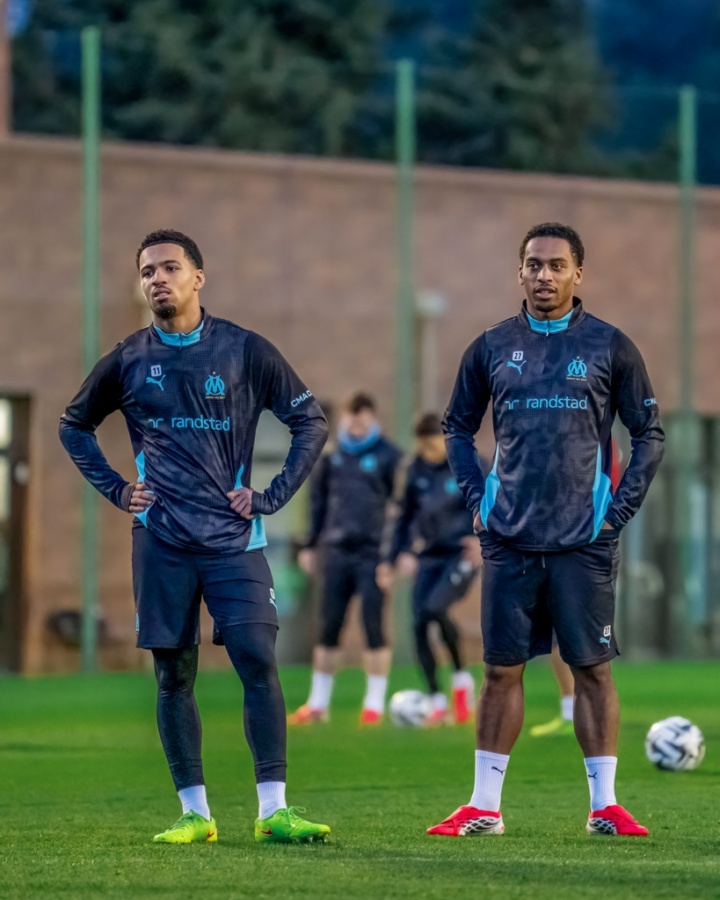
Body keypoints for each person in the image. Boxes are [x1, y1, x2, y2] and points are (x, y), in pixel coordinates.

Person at [59, 229, 331, 845]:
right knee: (173, 675)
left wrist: (270, 496)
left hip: (235, 540)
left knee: (257, 660)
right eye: (147, 271)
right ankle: (195, 814)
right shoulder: (128, 358)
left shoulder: (245, 350)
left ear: (198, 278)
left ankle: (273, 811)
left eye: (170, 268)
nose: (157, 279)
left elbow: (309, 422)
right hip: (161, 540)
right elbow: (74, 425)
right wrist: (117, 489)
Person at [428, 222, 664, 838]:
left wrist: (617, 512)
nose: (544, 275)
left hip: (584, 540)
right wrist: (477, 497)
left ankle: (604, 806)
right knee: (500, 672)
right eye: (534, 264)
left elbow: (649, 434)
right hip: (509, 538)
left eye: (557, 265)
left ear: (578, 273)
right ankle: (484, 807)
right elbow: (456, 427)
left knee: (592, 669)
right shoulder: (490, 346)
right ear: (520, 271)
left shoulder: (610, 346)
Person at [289, 392, 402, 725]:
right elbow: (317, 504)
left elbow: (400, 509)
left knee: (373, 625)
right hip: (335, 551)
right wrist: (310, 545)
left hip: (373, 554)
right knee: (329, 626)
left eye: (361, 418)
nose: (356, 425)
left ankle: (374, 705)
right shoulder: (331, 456)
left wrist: (392, 556)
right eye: (351, 418)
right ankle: (318, 704)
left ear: (371, 418)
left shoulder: (389, 455)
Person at [378, 413, 481, 725]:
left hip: (461, 554)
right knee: (419, 622)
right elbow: (403, 518)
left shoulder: (468, 462)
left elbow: (494, 502)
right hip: (428, 555)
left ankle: (461, 679)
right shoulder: (414, 470)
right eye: (423, 445)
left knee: (435, 608)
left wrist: (483, 539)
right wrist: (394, 557)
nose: (428, 451)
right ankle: (436, 698)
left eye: (432, 444)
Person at [530, 439, 624, 738]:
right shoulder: (551, 433)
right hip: (550, 546)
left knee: (587, 642)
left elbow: (611, 489)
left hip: (589, 549)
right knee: (556, 634)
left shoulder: (601, 442)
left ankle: (591, 712)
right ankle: (569, 711)